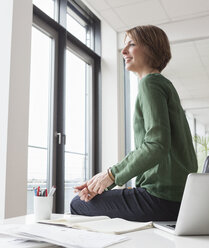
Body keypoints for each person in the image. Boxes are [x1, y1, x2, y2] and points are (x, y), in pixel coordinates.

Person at [70, 25, 197, 222]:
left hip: (160, 199)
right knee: (89, 200)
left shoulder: (150, 83)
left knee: (77, 204)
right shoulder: (163, 84)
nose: (124, 51)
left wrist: (110, 175)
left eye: (131, 44)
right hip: (181, 199)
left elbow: (156, 145)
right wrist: (103, 183)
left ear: (151, 48)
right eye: (124, 45)